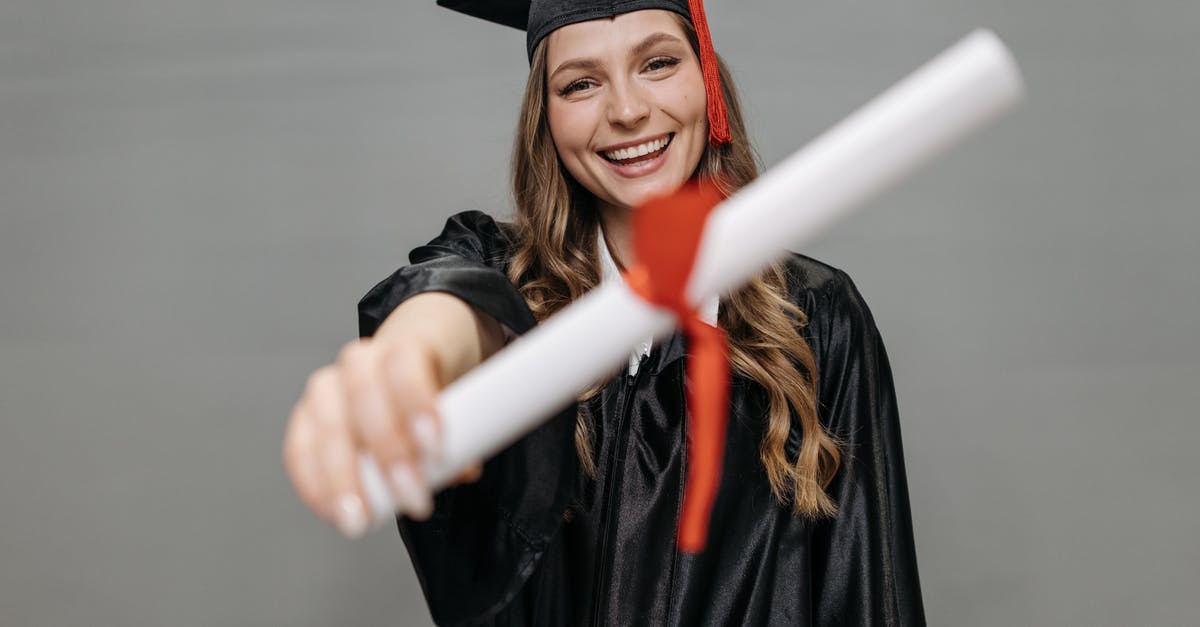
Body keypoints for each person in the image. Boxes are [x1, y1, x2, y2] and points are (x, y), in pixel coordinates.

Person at [283, 1, 926, 624]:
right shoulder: (509, 284)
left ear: (709, 84)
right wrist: (413, 355)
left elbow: (868, 594)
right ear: (545, 116)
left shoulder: (813, 317)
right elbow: (449, 302)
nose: (626, 110)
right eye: (581, 83)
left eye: (658, 64)